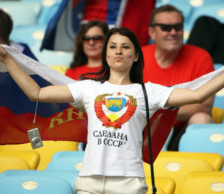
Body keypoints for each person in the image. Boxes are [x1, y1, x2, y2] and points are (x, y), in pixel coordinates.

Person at [1, 26, 224, 194]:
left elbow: (197, 95)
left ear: (136, 56)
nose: (118, 51)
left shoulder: (150, 91)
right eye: (113, 46)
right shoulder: (88, 87)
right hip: (89, 181)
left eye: (125, 47)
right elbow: (36, 94)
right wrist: (7, 59)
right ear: (106, 55)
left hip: (129, 182)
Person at [142, 4, 215, 151]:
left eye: (178, 27)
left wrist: (155, 109)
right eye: (166, 28)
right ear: (152, 32)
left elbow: (204, 106)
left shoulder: (200, 56)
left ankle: (197, 171)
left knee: (201, 118)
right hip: (143, 130)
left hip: (182, 130)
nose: (173, 32)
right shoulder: (138, 57)